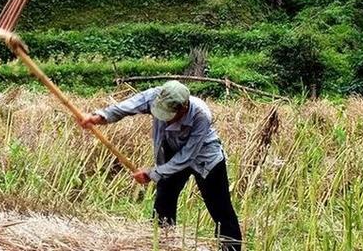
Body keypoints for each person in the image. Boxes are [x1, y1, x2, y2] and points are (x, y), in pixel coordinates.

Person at [81, 80, 242, 250]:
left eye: (169, 114)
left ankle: (231, 248)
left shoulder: (201, 114)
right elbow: (127, 107)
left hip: (205, 158)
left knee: (220, 208)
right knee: (164, 200)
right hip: (173, 151)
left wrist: (152, 173)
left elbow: (187, 156)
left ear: (183, 108)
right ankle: (163, 244)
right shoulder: (155, 96)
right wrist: (97, 118)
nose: (163, 119)